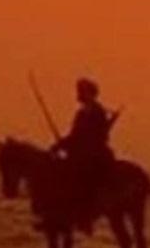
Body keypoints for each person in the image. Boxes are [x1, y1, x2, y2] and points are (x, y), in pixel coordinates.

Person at [50, 77, 118, 234]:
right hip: (80, 151)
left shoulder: (98, 112)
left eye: (81, 91)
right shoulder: (81, 113)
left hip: (95, 153)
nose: (78, 94)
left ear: (90, 93)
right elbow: (75, 134)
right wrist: (60, 145)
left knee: (81, 176)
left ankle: (85, 216)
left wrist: (73, 144)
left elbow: (96, 135)